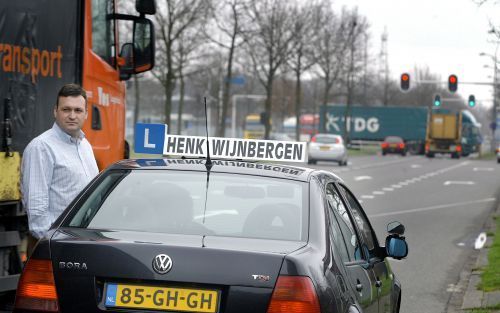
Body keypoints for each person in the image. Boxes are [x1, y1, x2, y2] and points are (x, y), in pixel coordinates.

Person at [21, 83, 99, 252]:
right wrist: (58, 245)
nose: (72, 116)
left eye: (78, 110)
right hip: (57, 247)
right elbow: (37, 213)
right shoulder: (41, 147)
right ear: (55, 111)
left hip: (84, 243)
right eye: (66, 109)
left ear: (86, 114)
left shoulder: (85, 146)